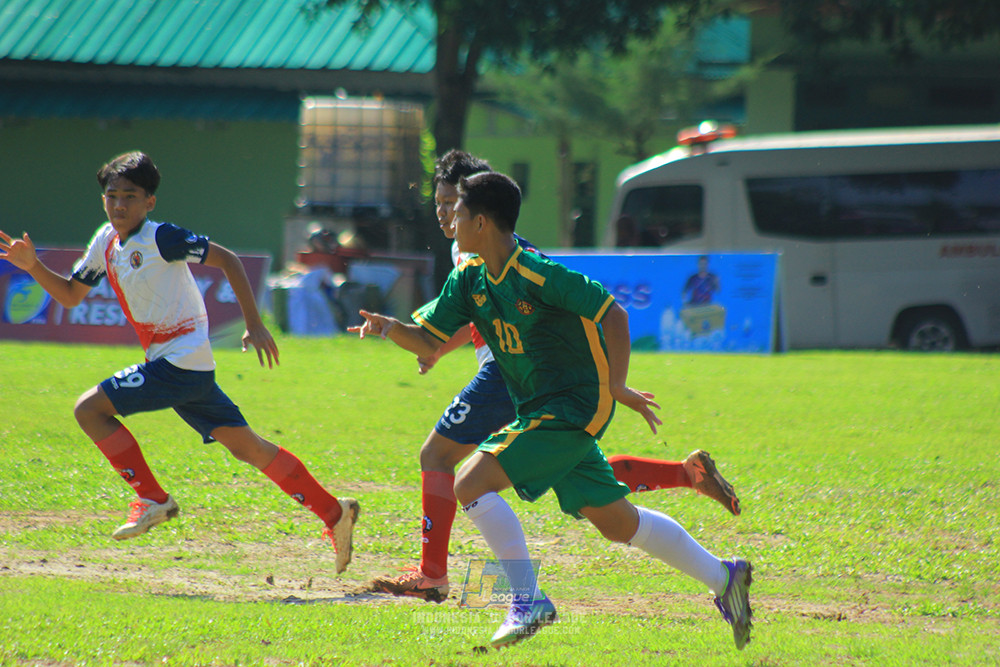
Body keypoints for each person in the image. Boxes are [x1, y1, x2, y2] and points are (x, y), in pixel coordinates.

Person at [350, 171, 753, 650]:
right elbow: (428, 340)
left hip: (576, 403)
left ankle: (527, 601)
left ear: (480, 221)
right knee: (617, 522)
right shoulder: (469, 278)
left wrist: (617, 384)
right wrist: (388, 327)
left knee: (470, 482)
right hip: (538, 406)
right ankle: (725, 578)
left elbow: (613, 313)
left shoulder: (537, 273)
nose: (449, 220)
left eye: (456, 211)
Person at [0, 151, 359, 573]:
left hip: (180, 363)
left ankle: (153, 499)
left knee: (89, 409)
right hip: (186, 366)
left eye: (130, 197)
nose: (119, 205)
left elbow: (228, 259)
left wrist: (255, 325)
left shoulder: (162, 237)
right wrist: (33, 265)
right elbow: (70, 295)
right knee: (251, 449)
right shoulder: (106, 241)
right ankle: (336, 512)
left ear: (149, 202)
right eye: (111, 196)